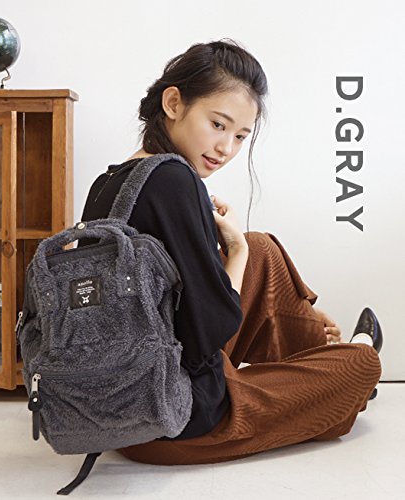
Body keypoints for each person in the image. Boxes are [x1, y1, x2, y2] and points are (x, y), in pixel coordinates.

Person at [79, 38, 382, 465]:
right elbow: (209, 333)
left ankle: (317, 351)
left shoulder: (110, 180)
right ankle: (340, 365)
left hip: (115, 406)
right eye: (218, 125)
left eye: (240, 136)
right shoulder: (174, 182)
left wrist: (244, 250)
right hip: (177, 419)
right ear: (173, 103)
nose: (226, 149)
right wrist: (234, 249)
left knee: (262, 249)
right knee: (362, 365)